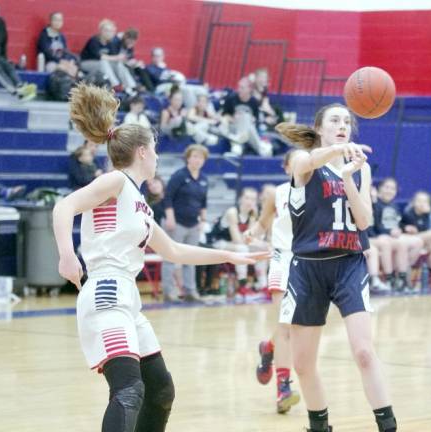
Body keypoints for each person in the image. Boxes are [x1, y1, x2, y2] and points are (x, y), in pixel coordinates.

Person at [52, 83, 268, 432]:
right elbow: (65, 206)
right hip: (106, 291)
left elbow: (176, 251)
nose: (156, 156)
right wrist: (66, 254)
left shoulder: (139, 204)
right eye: (153, 149)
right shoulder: (116, 181)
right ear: (141, 152)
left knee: (161, 389)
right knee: (128, 390)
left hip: (128, 299)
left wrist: (232, 254)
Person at [275, 103, 397, 432]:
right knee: (302, 364)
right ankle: (320, 427)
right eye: (335, 120)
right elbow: (313, 160)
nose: (342, 125)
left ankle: (387, 425)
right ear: (320, 128)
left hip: (348, 265)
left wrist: (348, 177)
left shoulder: (360, 167)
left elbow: (364, 220)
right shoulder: (304, 160)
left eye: (347, 121)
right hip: (308, 268)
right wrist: (335, 152)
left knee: (364, 353)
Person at [244, 150, 300, 414]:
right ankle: (283, 390)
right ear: (287, 167)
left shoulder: (319, 192)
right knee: (286, 326)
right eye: (296, 161)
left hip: (310, 264)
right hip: (282, 259)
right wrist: (252, 233)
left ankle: (269, 347)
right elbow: (263, 224)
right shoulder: (277, 193)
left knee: (296, 328)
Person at [161, 144, 210, 303]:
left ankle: (191, 291)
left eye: (200, 157)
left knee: (191, 259)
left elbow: (203, 202)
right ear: (188, 158)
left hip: (193, 224)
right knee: (170, 258)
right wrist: (170, 217)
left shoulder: (204, 179)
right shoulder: (179, 175)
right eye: (194, 156)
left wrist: (203, 220)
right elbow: (167, 197)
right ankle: (169, 292)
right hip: (177, 223)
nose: (197, 160)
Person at [210, 187, 269, 295]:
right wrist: (250, 240)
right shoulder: (232, 212)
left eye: (253, 199)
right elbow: (237, 240)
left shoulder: (252, 214)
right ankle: (243, 285)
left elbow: (250, 237)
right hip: (219, 242)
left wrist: (253, 218)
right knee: (243, 248)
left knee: (262, 249)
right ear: (241, 199)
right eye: (247, 198)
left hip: (236, 244)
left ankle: (263, 285)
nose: (250, 201)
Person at [371, 177, 424, 292]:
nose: (389, 191)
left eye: (392, 189)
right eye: (387, 187)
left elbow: (397, 224)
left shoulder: (394, 206)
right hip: (383, 235)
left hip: (394, 235)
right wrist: (389, 232)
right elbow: (375, 226)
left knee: (418, 241)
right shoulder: (376, 204)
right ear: (379, 189)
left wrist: (405, 228)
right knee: (401, 244)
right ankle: (396, 277)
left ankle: (402, 271)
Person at [0, 2, 36, 99]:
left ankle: (20, 85)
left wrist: (4, 57)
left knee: (8, 65)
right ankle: (14, 91)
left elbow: (4, 41)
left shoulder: (1, 22)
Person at [400, 190, 431, 289]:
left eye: (424, 201)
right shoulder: (409, 213)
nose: (422, 204)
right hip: (410, 242)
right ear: (413, 202)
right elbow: (413, 230)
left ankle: (430, 275)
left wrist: (429, 213)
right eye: (419, 201)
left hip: (422, 241)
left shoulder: (426, 215)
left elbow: (425, 230)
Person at [80, 19, 137, 95]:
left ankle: (131, 87)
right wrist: (117, 57)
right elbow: (101, 57)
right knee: (104, 62)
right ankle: (114, 85)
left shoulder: (111, 43)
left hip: (101, 65)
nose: (109, 33)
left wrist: (123, 60)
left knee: (118, 64)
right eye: (106, 30)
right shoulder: (94, 40)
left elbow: (114, 59)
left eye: (111, 31)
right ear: (101, 31)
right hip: (86, 63)